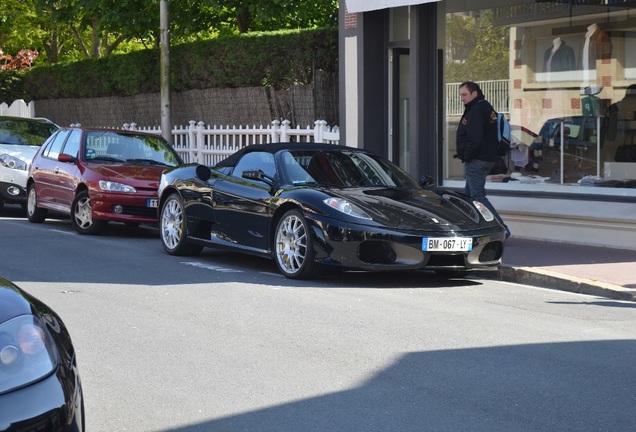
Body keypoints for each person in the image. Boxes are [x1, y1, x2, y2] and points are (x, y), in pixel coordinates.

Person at [455, 81, 511, 239]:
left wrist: (466, 155)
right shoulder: (484, 107)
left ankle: (501, 228)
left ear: (474, 93)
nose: (462, 98)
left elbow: (476, 139)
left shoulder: (477, 109)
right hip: (484, 158)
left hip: (477, 160)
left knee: (477, 196)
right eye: (460, 95)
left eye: (464, 94)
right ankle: (468, 230)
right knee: (468, 198)